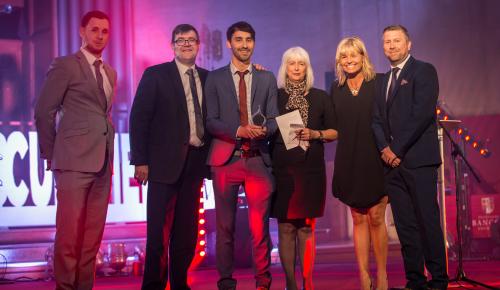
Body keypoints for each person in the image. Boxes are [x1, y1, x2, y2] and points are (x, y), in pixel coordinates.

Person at [34, 10, 116, 290]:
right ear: (82, 31)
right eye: (94, 30)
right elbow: (44, 111)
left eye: (105, 31)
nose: (100, 35)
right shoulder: (66, 65)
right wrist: (50, 154)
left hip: (102, 163)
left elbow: (100, 115)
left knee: (92, 238)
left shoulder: (109, 72)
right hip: (72, 162)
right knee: (69, 236)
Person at [129, 24, 210, 290]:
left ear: (199, 45)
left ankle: (179, 283)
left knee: (186, 233)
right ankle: (153, 285)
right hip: (162, 165)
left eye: (191, 40)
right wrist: (140, 160)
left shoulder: (209, 79)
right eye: (180, 40)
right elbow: (139, 119)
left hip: (196, 164)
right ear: (172, 45)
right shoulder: (155, 75)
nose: (186, 44)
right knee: (157, 234)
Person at [372, 25, 448, 290]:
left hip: (418, 161)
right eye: (387, 42)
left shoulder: (424, 71)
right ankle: (415, 281)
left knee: (427, 222)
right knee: (405, 227)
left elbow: (421, 115)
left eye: (396, 41)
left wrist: (396, 149)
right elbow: (376, 120)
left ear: (409, 44)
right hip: (391, 165)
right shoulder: (381, 80)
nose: (391, 46)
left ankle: (438, 281)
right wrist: (384, 149)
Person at [205, 21, 278, 290]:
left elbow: (274, 120)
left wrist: (262, 131)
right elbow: (210, 121)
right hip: (226, 160)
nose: (244, 44)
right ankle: (226, 282)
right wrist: (239, 130)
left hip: (258, 159)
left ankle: (263, 283)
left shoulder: (266, 78)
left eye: (248, 39)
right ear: (229, 43)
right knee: (225, 228)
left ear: (254, 43)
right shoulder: (214, 78)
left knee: (259, 229)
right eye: (238, 39)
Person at [271, 46, 337, 290]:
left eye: (301, 63)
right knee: (286, 227)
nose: (296, 68)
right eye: (291, 63)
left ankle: (308, 283)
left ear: (307, 67)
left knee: (306, 227)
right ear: (285, 67)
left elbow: (334, 131)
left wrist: (315, 133)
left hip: (310, 169)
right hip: (282, 168)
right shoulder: (274, 96)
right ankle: (290, 284)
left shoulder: (320, 96)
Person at [330, 37, 388, 290]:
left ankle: (383, 274)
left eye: (354, 55)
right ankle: (364, 276)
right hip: (349, 158)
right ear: (339, 62)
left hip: (375, 157)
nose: (350, 60)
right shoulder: (336, 89)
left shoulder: (379, 83)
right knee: (358, 219)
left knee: (376, 216)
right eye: (344, 56)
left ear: (363, 57)